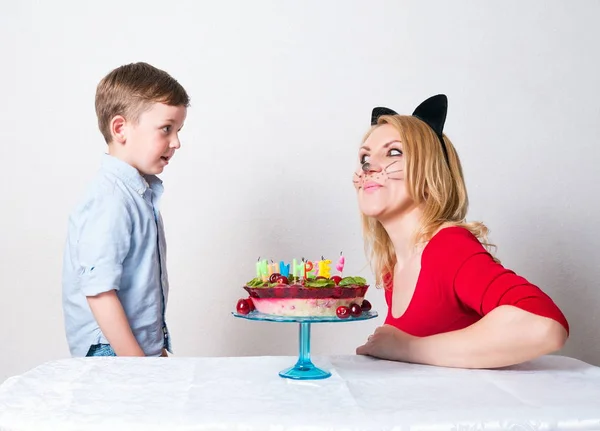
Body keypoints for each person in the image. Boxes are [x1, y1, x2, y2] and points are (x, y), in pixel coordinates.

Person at [354, 94, 568, 368]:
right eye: (364, 158)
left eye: (394, 152)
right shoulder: (394, 265)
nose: (371, 167)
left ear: (430, 174)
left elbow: (545, 326)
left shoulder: (447, 247)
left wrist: (406, 347)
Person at [62, 62, 190, 357]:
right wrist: (137, 364)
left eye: (179, 130)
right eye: (166, 129)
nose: (177, 142)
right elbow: (100, 292)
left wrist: (154, 351)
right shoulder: (111, 199)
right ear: (120, 128)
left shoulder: (137, 195)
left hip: (132, 350)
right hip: (113, 353)